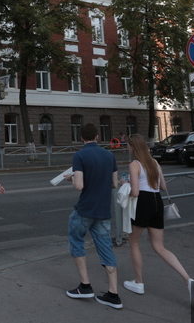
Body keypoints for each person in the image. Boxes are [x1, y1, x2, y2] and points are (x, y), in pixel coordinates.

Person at [123, 134, 194, 309]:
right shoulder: (154, 163)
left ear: (133, 147)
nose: (127, 148)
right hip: (157, 202)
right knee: (160, 247)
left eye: (128, 145)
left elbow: (135, 192)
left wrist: (125, 185)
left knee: (134, 243)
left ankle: (138, 282)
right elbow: (164, 187)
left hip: (143, 203)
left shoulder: (134, 165)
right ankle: (188, 280)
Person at [64, 123, 122, 309]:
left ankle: (85, 286)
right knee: (106, 248)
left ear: (82, 138)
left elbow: (79, 186)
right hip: (103, 211)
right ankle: (113, 294)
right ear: (97, 137)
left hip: (85, 210)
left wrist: (70, 178)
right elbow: (114, 184)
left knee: (76, 241)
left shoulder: (80, 155)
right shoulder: (109, 155)